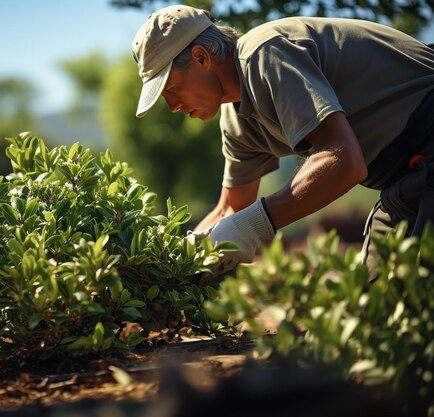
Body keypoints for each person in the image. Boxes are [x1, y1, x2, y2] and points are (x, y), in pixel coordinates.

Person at [131, 5, 434, 274]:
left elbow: (342, 158)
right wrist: (176, 267)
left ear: (201, 58)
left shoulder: (266, 53)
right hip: (403, 182)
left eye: (170, 90)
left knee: (404, 315)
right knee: (376, 310)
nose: (173, 107)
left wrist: (251, 226)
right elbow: (230, 210)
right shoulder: (236, 121)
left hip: (426, 141)